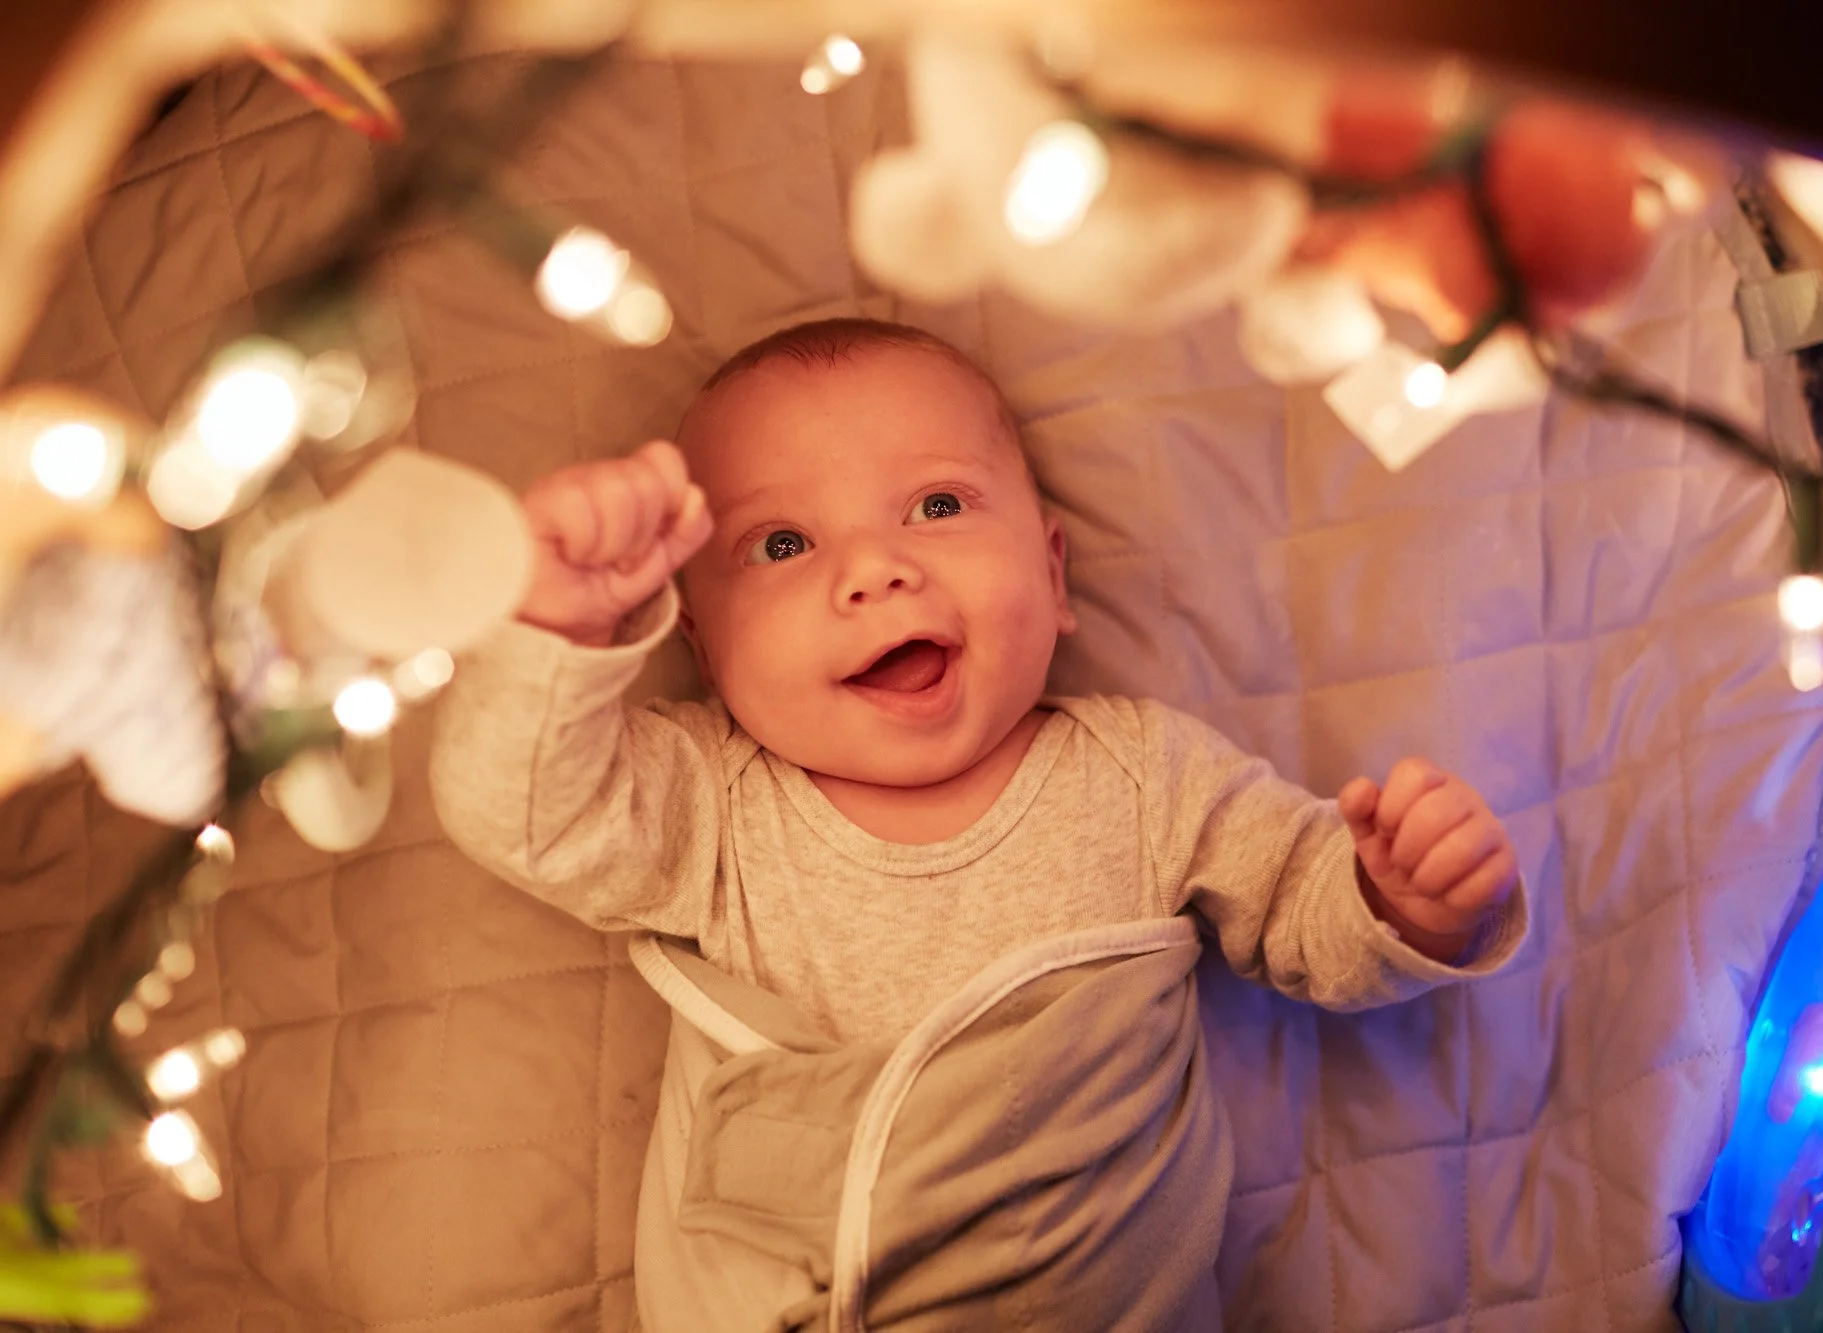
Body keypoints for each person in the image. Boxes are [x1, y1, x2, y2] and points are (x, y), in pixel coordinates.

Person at [430, 317, 1528, 1329]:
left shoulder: (1140, 772)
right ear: (706, 656)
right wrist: (554, 639)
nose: (875, 568)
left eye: (938, 506)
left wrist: (1399, 901)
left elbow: (1300, 906)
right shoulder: (710, 800)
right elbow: (529, 811)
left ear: (1052, 575)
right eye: (780, 545)